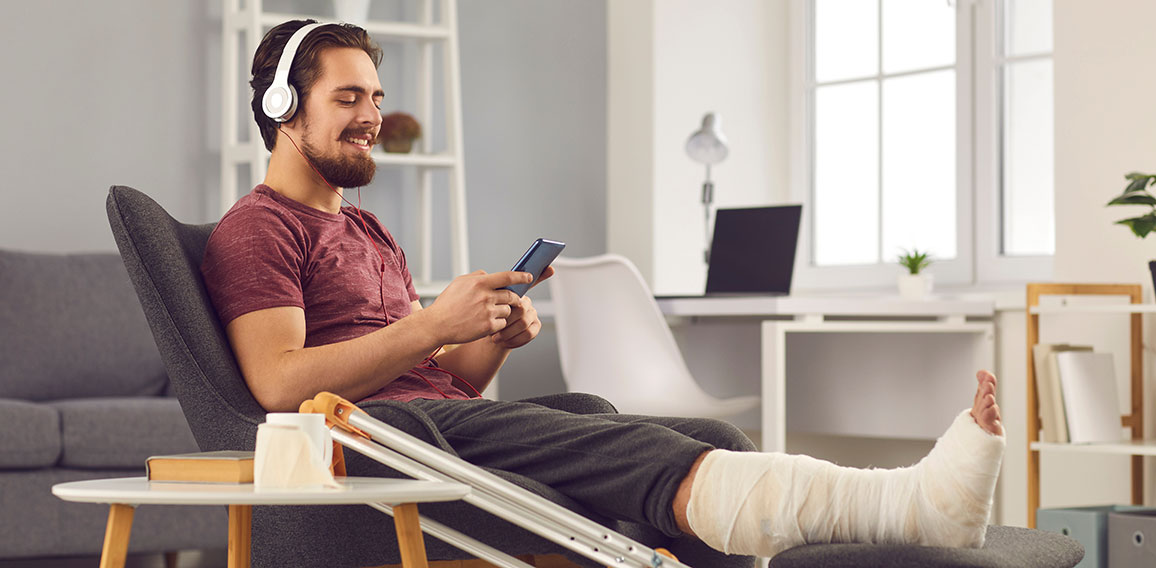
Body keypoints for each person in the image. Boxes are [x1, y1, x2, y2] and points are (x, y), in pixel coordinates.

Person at [201, 19, 1006, 562]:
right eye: (348, 98)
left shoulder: (369, 230)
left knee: (697, 436)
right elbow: (278, 382)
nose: (372, 115)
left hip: (432, 420)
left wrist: (484, 336)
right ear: (283, 109)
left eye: (376, 97)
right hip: (375, 442)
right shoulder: (259, 229)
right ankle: (912, 506)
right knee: (643, 449)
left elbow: (445, 382)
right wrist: (431, 325)